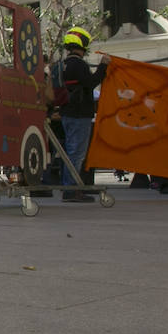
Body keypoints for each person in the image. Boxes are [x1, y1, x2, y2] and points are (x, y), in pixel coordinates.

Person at [57, 26, 109, 203]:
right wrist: (103, 67)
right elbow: (91, 83)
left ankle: (71, 187)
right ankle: (71, 190)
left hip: (66, 113)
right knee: (76, 153)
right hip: (80, 114)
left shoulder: (62, 64)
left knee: (71, 151)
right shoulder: (78, 64)